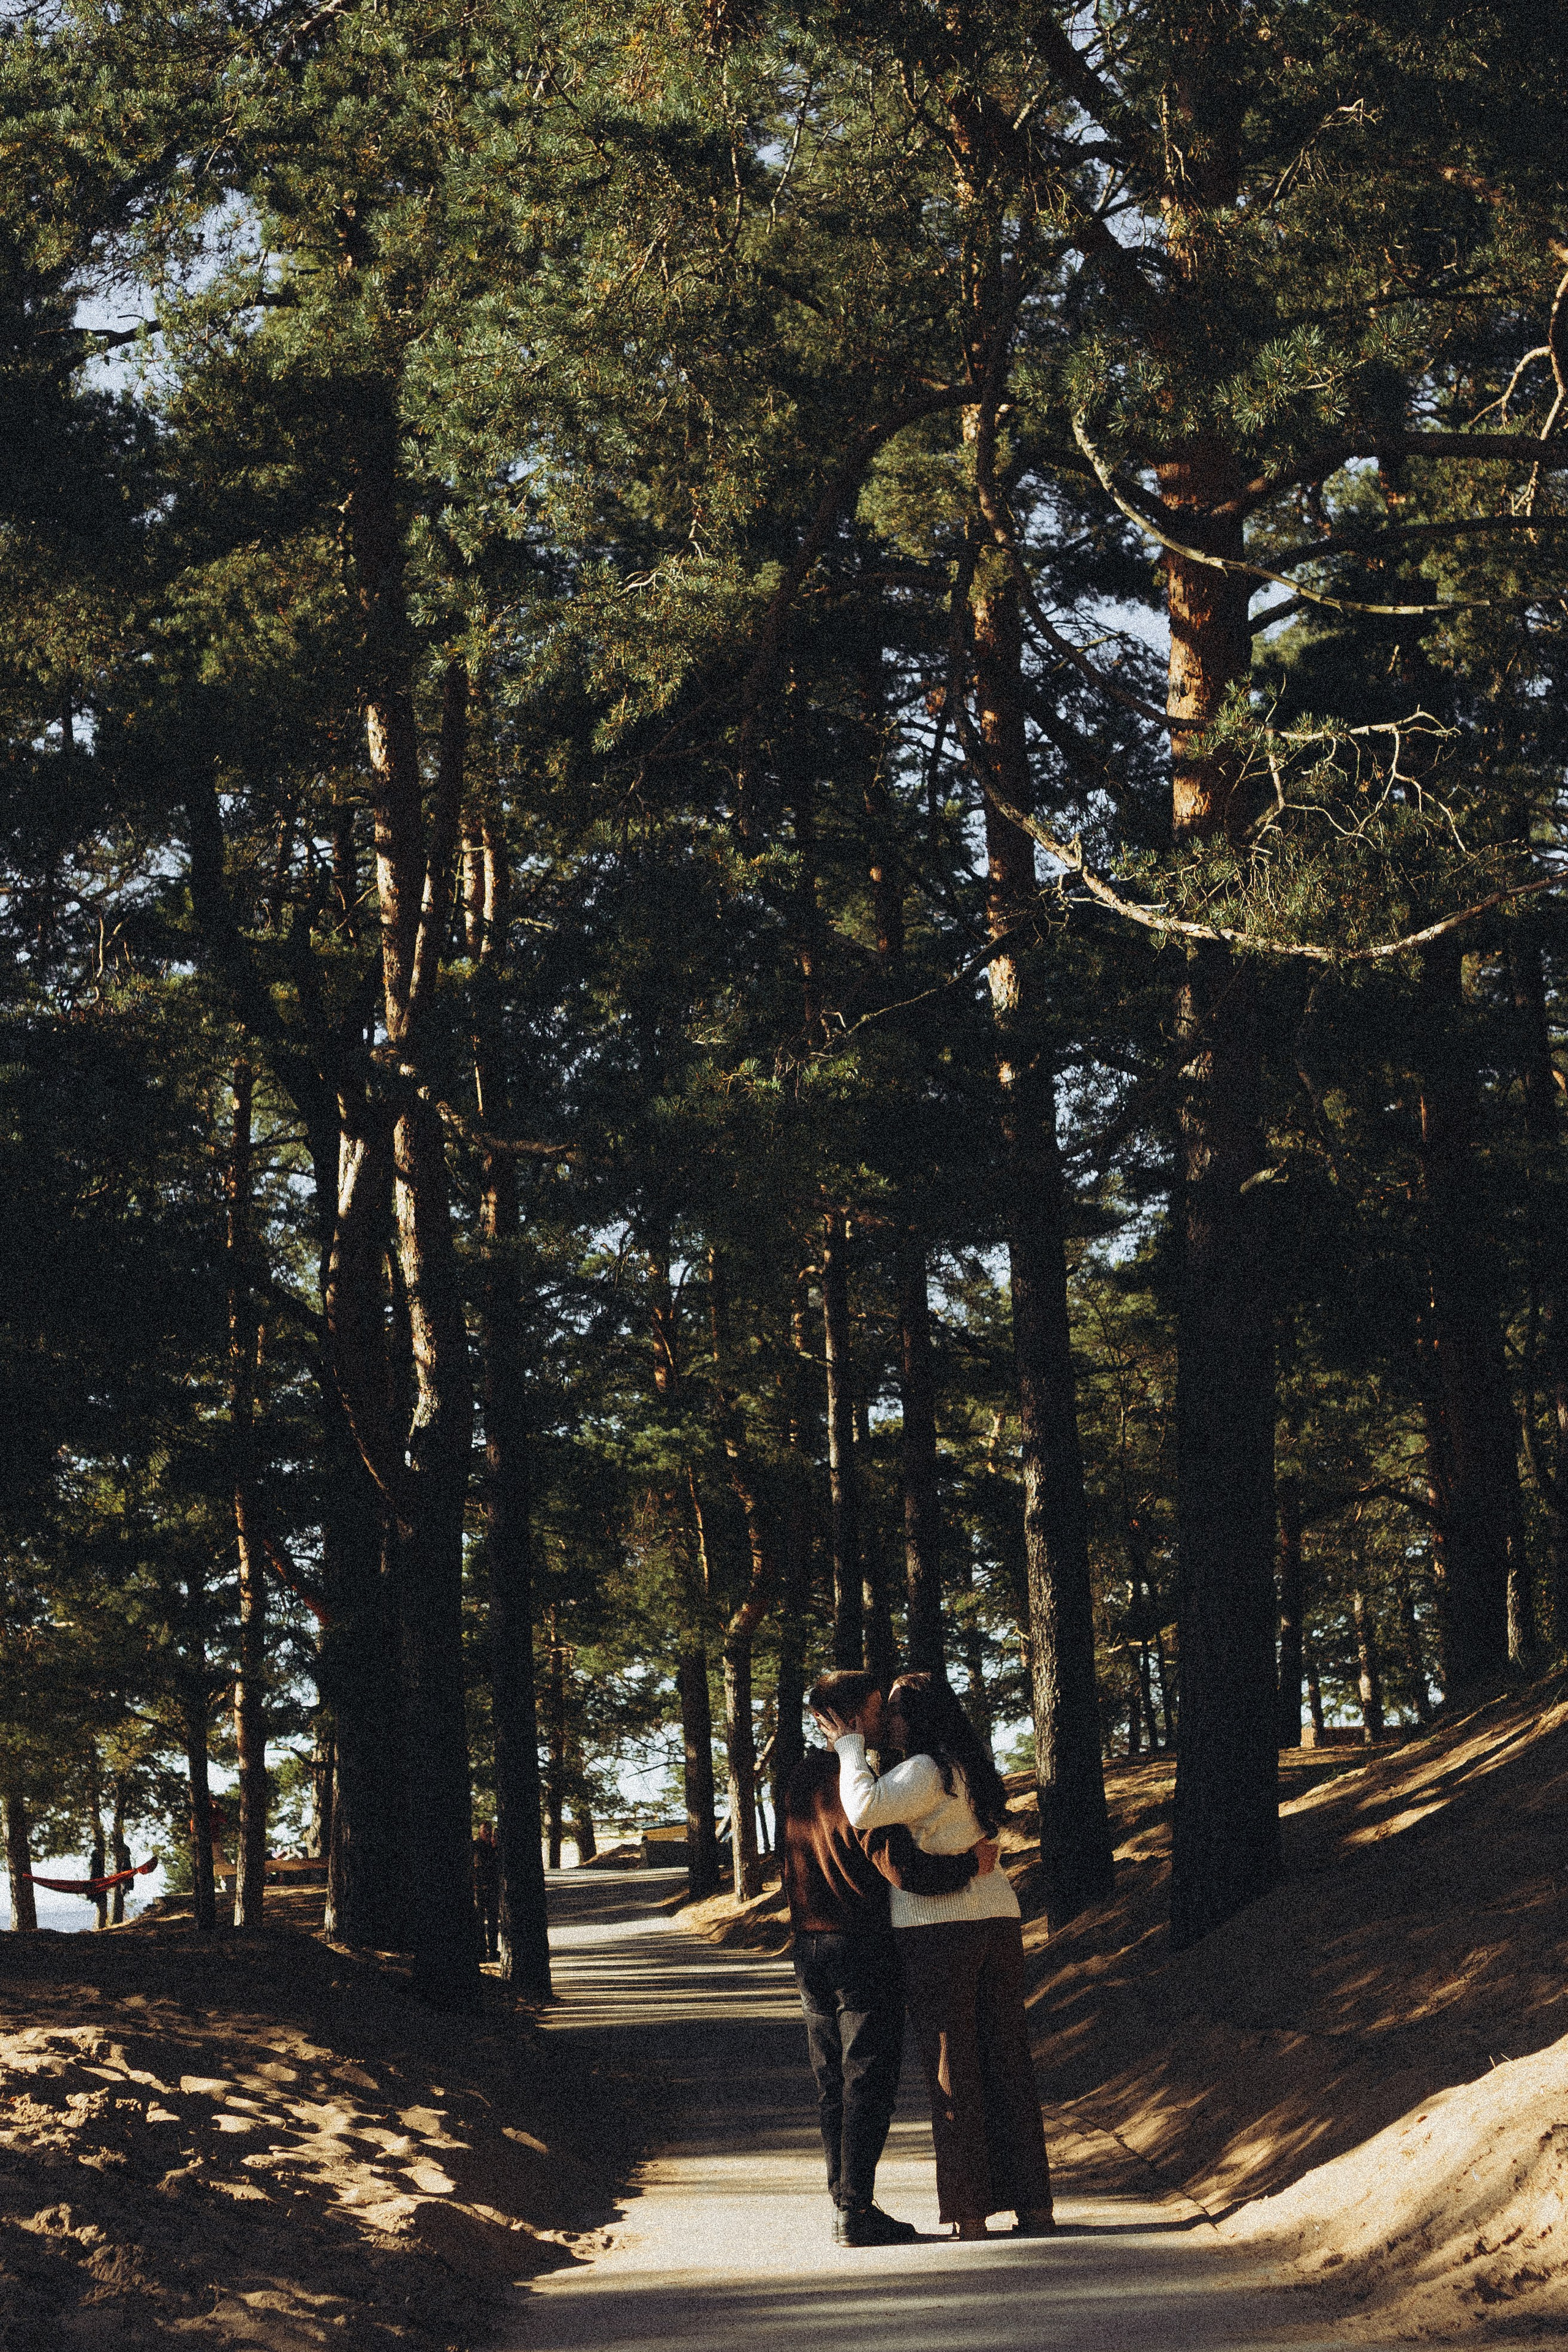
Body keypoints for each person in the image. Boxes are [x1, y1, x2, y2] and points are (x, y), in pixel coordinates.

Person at [815, 1670, 1054, 2242]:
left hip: (941, 1928)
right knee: (1008, 2063)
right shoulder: (965, 1768)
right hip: (998, 1919)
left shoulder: (923, 1770)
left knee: (953, 2068)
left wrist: (849, 1746)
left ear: (919, 1718)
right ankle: (1034, 2206)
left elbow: (864, 1810)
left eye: (896, 1711)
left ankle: (971, 2213)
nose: (886, 1722)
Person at [781, 1668, 999, 2248]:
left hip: (809, 1945)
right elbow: (899, 1866)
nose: (885, 1720)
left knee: (831, 2079)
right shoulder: (862, 1787)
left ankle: (845, 2202)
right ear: (853, 1718)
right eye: (878, 1709)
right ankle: (855, 2210)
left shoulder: (799, 1778)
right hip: (862, 1945)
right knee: (867, 2079)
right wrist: (968, 1866)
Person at [472, 1820, 500, 1962]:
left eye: (489, 1830)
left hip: (493, 1889)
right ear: (479, 1832)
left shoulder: (495, 1847)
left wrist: (496, 1848)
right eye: (485, 1831)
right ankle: (481, 1951)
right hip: (479, 1889)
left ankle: (493, 1950)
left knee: (493, 1922)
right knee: (479, 1922)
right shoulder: (474, 1846)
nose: (487, 1833)